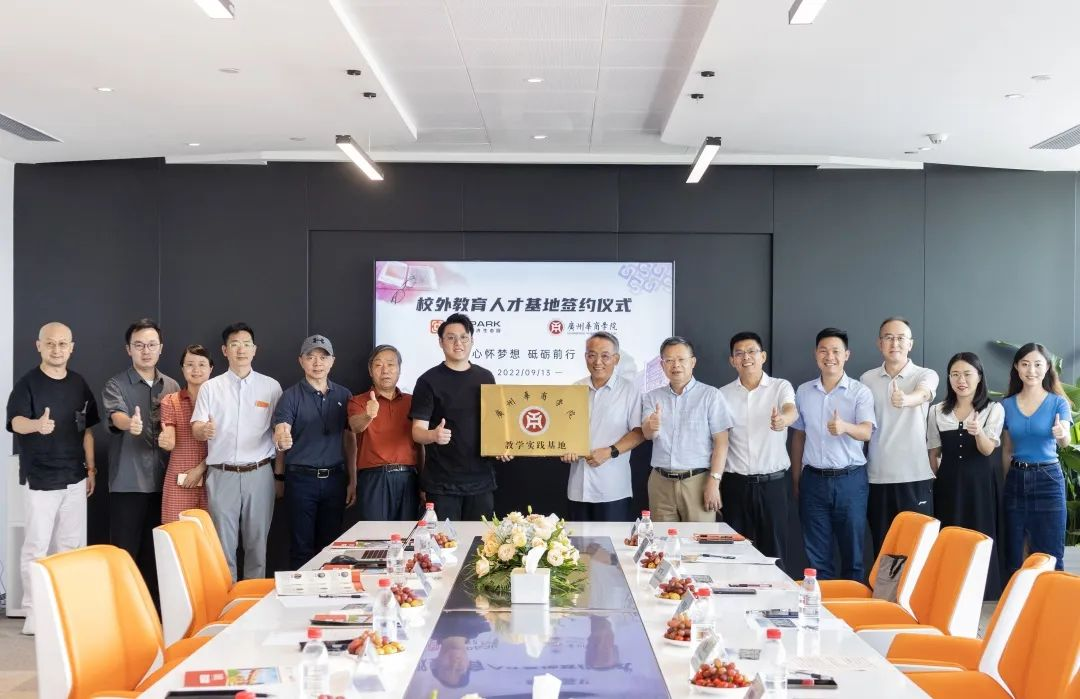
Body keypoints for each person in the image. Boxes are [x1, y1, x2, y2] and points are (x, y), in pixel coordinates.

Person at [6, 322, 99, 635]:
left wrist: (90, 469)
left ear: (71, 347)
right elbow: (15, 422)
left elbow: (87, 431)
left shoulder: (79, 383)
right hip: (41, 478)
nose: (56, 349)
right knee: (36, 546)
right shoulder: (27, 383)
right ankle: (34, 612)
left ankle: (66, 609)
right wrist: (37, 425)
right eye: (50, 343)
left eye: (62, 344)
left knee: (71, 547)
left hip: (75, 477)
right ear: (39, 346)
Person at [191, 322, 282, 580]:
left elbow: (279, 431)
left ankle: (252, 600)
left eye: (246, 344)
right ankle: (226, 600)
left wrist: (279, 476)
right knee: (222, 547)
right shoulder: (211, 387)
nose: (241, 349)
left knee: (257, 546)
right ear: (225, 350)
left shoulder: (271, 387)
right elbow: (196, 426)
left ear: (254, 349)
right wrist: (203, 430)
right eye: (234, 344)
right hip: (222, 475)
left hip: (259, 473)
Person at [101, 318, 180, 603]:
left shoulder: (172, 385)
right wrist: (129, 424)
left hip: (165, 485)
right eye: (139, 345)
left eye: (151, 345)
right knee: (125, 554)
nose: (146, 351)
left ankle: (155, 614)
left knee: (157, 554)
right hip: (129, 483)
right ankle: (124, 613)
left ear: (161, 348)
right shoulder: (116, 384)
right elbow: (116, 416)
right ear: (128, 349)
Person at [790, 328, 876, 581]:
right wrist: (796, 478)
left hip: (850, 481)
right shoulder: (803, 391)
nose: (830, 357)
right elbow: (798, 436)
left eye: (836, 351)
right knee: (817, 558)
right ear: (816, 354)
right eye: (823, 351)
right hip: (813, 481)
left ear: (846, 355)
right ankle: (822, 604)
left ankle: (851, 603)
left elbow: (866, 432)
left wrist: (845, 427)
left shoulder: (860, 391)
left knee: (853, 556)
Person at [410, 313, 508, 520]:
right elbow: (417, 432)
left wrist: (502, 446)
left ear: (472, 340)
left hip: (481, 481)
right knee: (443, 539)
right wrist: (433, 435)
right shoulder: (428, 381)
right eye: (451, 337)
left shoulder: (486, 377)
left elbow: (495, 424)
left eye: (464, 337)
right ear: (440, 342)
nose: (458, 343)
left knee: (482, 540)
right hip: (442, 484)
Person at [272, 335, 356, 569]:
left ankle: (328, 590)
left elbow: (350, 440)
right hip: (301, 480)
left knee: (331, 548)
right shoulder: (290, 396)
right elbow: (282, 429)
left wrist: (353, 480)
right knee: (301, 547)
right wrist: (281, 438)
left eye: (323, 357)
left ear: (332, 361)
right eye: (311, 357)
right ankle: (300, 590)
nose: (317, 363)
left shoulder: (344, 395)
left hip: (335, 479)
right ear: (301, 361)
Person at [927, 352, 1005, 596]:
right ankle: (948, 593)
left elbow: (988, 449)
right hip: (948, 483)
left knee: (981, 535)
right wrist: (937, 478)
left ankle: (982, 594)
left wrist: (978, 431)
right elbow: (933, 452)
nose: (961, 380)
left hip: (981, 484)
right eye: (955, 374)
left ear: (979, 377)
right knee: (949, 535)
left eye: (967, 374)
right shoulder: (937, 410)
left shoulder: (993, 408)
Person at [860, 317, 939, 555]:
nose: (895, 343)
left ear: (910, 344)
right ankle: (885, 584)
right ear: (879, 343)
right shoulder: (867, 379)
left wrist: (905, 399)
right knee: (884, 550)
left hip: (915, 476)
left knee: (916, 550)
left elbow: (923, 394)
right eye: (889, 338)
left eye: (901, 338)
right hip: (878, 478)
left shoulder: (925, 374)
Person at [718, 331, 798, 563]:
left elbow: (791, 410)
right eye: (739, 353)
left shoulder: (780, 386)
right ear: (732, 360)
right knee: (734, 555)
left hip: (773, 485)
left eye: (752, 351)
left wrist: (783, 420)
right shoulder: (722, 394)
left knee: (774, 554)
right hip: (735, 485)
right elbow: (719, 441)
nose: (746, 357)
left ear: (763, 356)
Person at [641, 336, 733, 522]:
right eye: (669, 360)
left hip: (697, 482)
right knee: (661, 538)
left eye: (681, 359)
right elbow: (647, 434)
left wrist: (714, 482)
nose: (675, 365)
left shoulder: (711, 395)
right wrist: (652, 426)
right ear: (662, 365)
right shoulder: (652, 397)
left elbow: (721, 443)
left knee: (698, 539)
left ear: (693, 362)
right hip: (661, 482)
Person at [1001, 342, 1073, 573]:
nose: (1031, 370)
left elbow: (1065, 440)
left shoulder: (1058, 402)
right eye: (1025, 364)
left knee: (1050, 554)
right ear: (1017, 367)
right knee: (1014, 554)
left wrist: (1062, 434)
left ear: (1047, 367)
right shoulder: (1006, 405)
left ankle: (1051, 596)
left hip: (1048, 480)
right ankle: (1016, 597)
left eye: (1037, 365)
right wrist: (1006, 484)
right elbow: (1007, 450)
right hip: (1016, 479)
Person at [561, 332, 644, 522]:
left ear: (616, 359)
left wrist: (610, 451)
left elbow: (639, 433)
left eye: (605, 356)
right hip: (578, 487)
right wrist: (566, 448)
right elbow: (565, 430)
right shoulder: (575, 389)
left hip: (612, 489)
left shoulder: (630, 390)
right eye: (592, 355)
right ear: (585, 357)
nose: (598, 362)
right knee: (577, 540)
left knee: (612, 541)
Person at [348, 344, 422, 521]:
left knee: (407, 533)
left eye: (390, 364)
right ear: (370, 370)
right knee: (375, 534)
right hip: (374, 478)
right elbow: (355, 426)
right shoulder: (358, 401)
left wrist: (423, 481)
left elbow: (421, 446)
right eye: (378, 365)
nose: (385, 370)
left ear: (399, 369)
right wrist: (368, 415)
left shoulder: (413, 402)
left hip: (408, 477)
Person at [159, 345, 214, 524]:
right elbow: (170, 439)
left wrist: (200, 469)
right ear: (182, 369)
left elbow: (228, 443)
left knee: (210, 535)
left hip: (214, 478)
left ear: (211, 368)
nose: (196, 369)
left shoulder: (221, 401)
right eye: (190, 364)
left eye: (202, 364)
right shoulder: (171, 401)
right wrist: (165, 440)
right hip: (180, 479)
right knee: (176, 533)